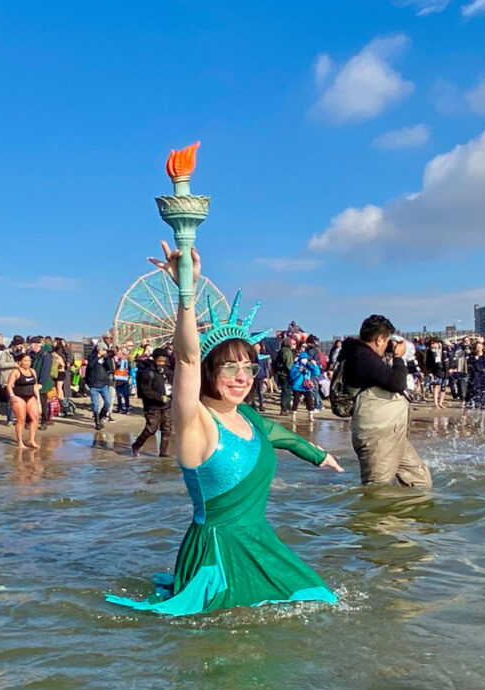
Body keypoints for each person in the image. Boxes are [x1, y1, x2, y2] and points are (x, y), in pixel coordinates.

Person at [107, 243, 343, 615]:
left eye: (248, 367)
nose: (241, 377)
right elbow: (186, 358)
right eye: (229, 368)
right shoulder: (195, 419)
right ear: (209, 373)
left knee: (322, 602)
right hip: (216, 554)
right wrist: (188, 291)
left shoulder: (249, 418)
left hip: (260, 542)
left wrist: (319, 455)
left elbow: (281, 436)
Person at [339, 316, 432, 487]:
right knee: (377, 489)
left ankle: (406, 513)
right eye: (387, 340)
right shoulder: (362, 356)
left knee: (420, 481)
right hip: (378, 434)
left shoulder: (362, 354)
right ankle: (374, 514)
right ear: (380, 339)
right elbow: (396, 382)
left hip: (391, 431)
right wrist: (399, 357)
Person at [132, 347, 172, 457]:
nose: (162, 363)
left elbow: (173, 383)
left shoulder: (167, 371)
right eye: (159, 361)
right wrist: (160, 397)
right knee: (151, 429)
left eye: (163, 361)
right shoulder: (147, 373)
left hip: (167, 405)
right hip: (152, 405)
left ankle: (163, 453)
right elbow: (145, 391)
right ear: (154, 359)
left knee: (167, 429)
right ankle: (136, 445)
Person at [5, 352, 42, 448]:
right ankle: (20, 441)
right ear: (20, 362)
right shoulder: (16, 372)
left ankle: (31, 440)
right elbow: (9, 385)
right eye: (25, 361)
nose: (27, 363)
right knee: (21, 419)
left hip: (31, 396)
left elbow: (35, 385)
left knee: (35, 417)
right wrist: (12, 396)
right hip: (18, 396)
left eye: (29, 361)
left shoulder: (33, 371)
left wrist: (38, 399)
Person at [84, 344, 114, 430]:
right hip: (93, 384)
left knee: (108, 402)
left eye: (104, 349)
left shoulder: (106, 358)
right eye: (102, 349)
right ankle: (97, 422)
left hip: (104, 384)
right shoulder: (91, 356)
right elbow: (90, 365)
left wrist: (107, 357)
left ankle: (101, 416)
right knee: (95, 404)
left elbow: (110, 368)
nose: (103, 350)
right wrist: (97, 356)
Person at [112, 349, 132, 414]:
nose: (122, 356)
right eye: (120, 354)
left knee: (125, 394)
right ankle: (120, 407)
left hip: (124, 379)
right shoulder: (117, 361)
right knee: (119, 395)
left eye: (124, 354)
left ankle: (127, 407)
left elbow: (129, 369)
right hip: (118, 379)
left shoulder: (127, 362)